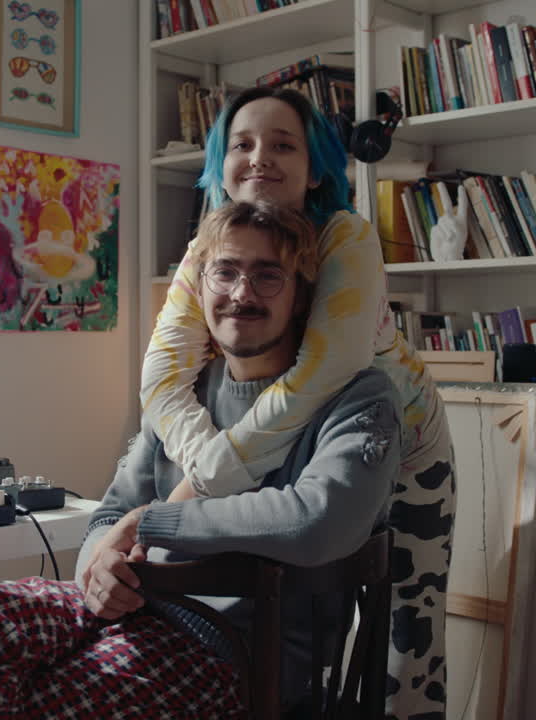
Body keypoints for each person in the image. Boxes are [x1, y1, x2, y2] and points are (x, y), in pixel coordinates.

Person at [0, 200, 403, 718]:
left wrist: (153, 522)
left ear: (301, 296)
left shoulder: (359, 396)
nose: (241, 293)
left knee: (42, 698)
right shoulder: (183, 395)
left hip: (232, 657)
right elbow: (106, 516)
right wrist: (101, 570)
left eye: (267, 276)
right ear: (201, 286)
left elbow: (319, 520)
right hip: (128, 615)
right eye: (225, 272)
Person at [142, 85, 455, 718]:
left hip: (399, 443)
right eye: (242, 144)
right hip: (287, 437)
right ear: (218, 166)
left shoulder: (347, 236)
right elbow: (161, 379)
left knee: (404, 640)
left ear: (316, 169)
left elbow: (325, 372)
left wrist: (205, 480)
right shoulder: (207, 247)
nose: (260, 157)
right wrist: (205, 464)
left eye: (283, 145)